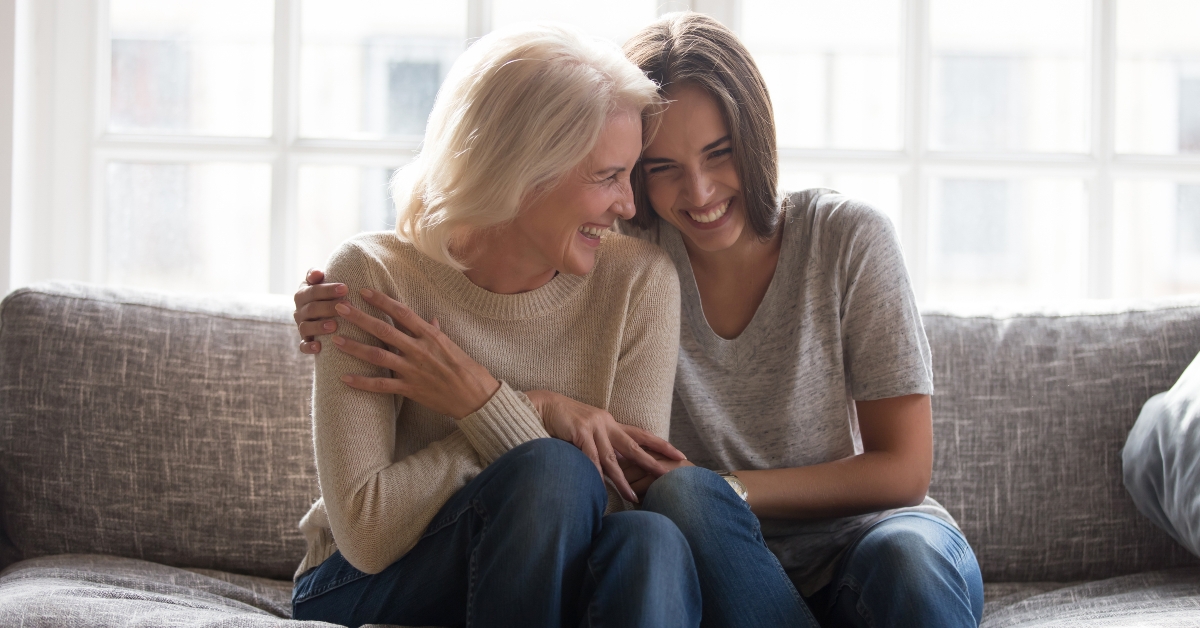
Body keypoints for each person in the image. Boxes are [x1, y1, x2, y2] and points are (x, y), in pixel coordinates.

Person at [295, 12, 984, 628]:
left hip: (847, 541)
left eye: (719, 153)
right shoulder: (623, 250)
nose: (699, 192)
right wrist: (338, 312)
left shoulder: (822, 241)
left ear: (755, 135)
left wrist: (723, 491)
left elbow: (902, 470)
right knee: (642, 505)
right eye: (654, 169)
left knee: (879, 560)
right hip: (674, 544)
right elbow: (472, 243)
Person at [289, 23, 703, 628]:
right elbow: (368, 533)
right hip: (367, 578)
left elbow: (621, 500)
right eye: (607, 176)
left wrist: (483, 403)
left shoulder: (638, 282)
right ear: (525, 170)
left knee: (652, 542)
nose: (629, 206)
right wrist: (531, 411)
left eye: (630, 174)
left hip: (543, 570)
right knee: (553, 472)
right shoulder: (377, 276)